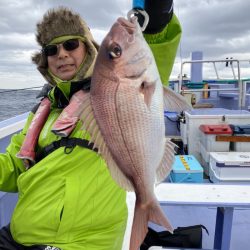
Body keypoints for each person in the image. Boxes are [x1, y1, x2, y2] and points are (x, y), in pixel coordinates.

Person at [0, 1, 181, 249]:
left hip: (86, 241)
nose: (61, 54)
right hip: (22, 235)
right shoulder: (42, 112)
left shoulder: (112, 93)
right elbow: (13, 168)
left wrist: (157, 13)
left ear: (87, 48)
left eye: (71, 44)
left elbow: (156, 44)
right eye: (52, 50)